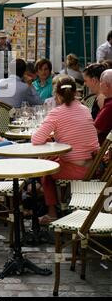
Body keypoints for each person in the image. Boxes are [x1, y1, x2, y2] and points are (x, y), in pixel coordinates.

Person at [31, 76, 99, 224]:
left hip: (76, 169)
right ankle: (63, 203)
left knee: (46, 171)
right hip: (94, 166)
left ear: (56, 95)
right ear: (76, 92)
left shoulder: (56, 113)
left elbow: (36, 140)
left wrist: (50, 138)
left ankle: (52, 213)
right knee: (51, 161)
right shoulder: (85, 109)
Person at [94, 69, 112, 145]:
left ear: (107, 86)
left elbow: (95, 129)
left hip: (101, 151)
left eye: (101, 81)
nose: (99, 84)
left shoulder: (110, 106)